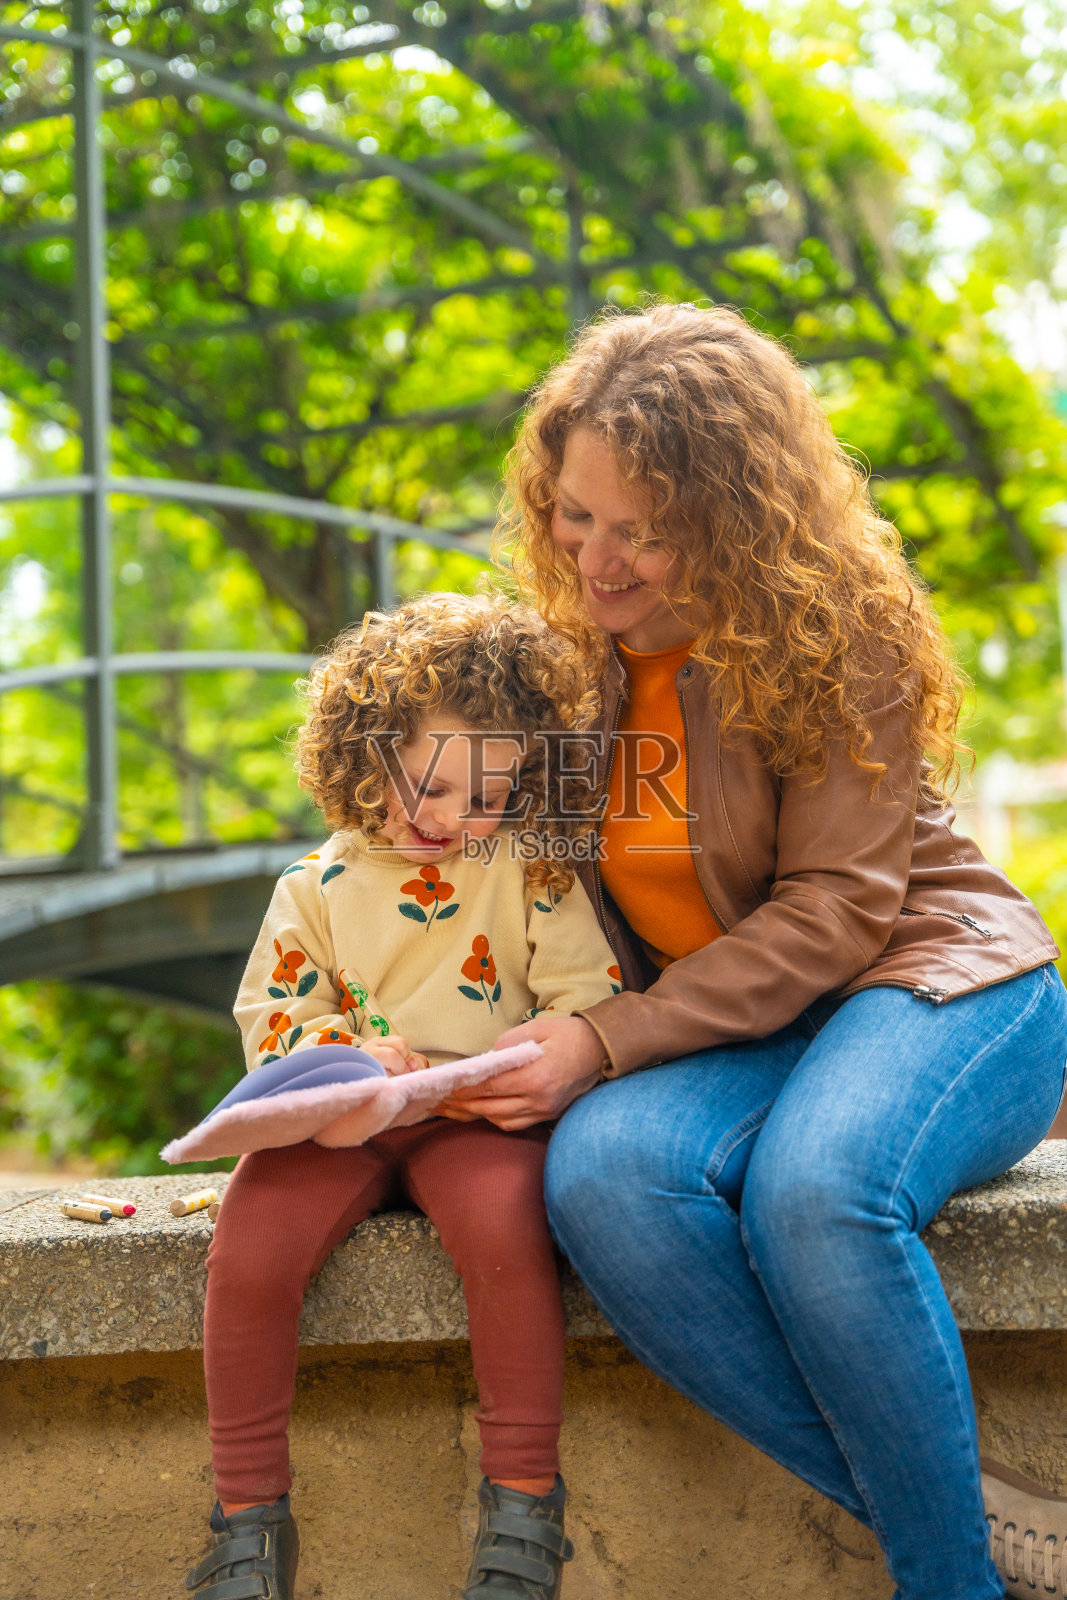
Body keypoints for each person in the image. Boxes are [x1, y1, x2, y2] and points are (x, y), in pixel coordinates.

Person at [449, 302, 1067, 1600]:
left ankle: (942, 1579)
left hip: (936, 988)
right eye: (574, 514)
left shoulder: (834, 630)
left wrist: (601, 1039)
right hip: (742, 1033)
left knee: (813, 1193)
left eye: (645, 531)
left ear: (731, 518)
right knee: (603, 1176)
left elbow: (833, 912)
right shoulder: (568, 664)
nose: (596, 559)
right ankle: (951, 1504)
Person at [184, 592, 618, 1600]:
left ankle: (520, 1509)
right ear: (366, 747)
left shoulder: (529, 870)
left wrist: (517, 1062)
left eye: (485, 796)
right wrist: (354, 1052)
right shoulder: (314, 884)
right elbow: (275, 1020)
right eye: (424, 783)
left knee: (508, 1232)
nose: (447, 818)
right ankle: (246, 1521)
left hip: (475, 1120)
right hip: (341, 1122)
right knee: (248, 1251)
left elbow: (585, 999)